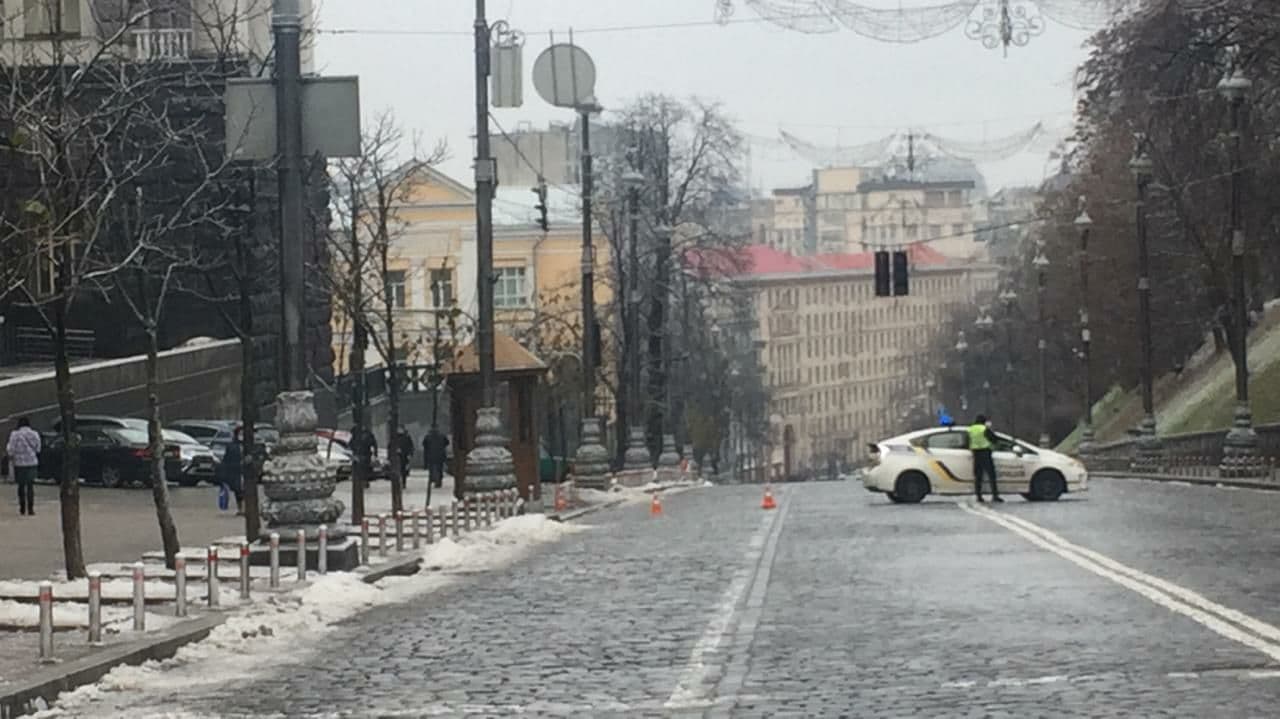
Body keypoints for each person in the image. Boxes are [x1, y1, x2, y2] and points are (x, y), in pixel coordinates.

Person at [7, 417, 41, 516]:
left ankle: (22, 507)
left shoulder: (14, 435)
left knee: (21, 486)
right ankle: (31, 508)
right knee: (30, 485)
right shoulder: (34, 434)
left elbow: (11, 449)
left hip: (19, 463)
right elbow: (38, 448)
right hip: (31, 462)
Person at [967, 414, 1002, 503]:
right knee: (991, 475)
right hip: (985, 452)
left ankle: (979, 496)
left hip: (975, 453)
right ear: (984, 421)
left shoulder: (970, 429)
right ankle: (995, 495)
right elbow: (994, 439)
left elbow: (968, 440)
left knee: (978, 476)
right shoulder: (984, 429)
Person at [216, 427, 245, 515]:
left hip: (245, 472)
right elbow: (226, 459)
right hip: (235, 471)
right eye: (240, 434)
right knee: (238, 490)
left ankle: (245, 508)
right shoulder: (231, 446)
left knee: (245, 490)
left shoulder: (249, 446)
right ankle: (241, 508)